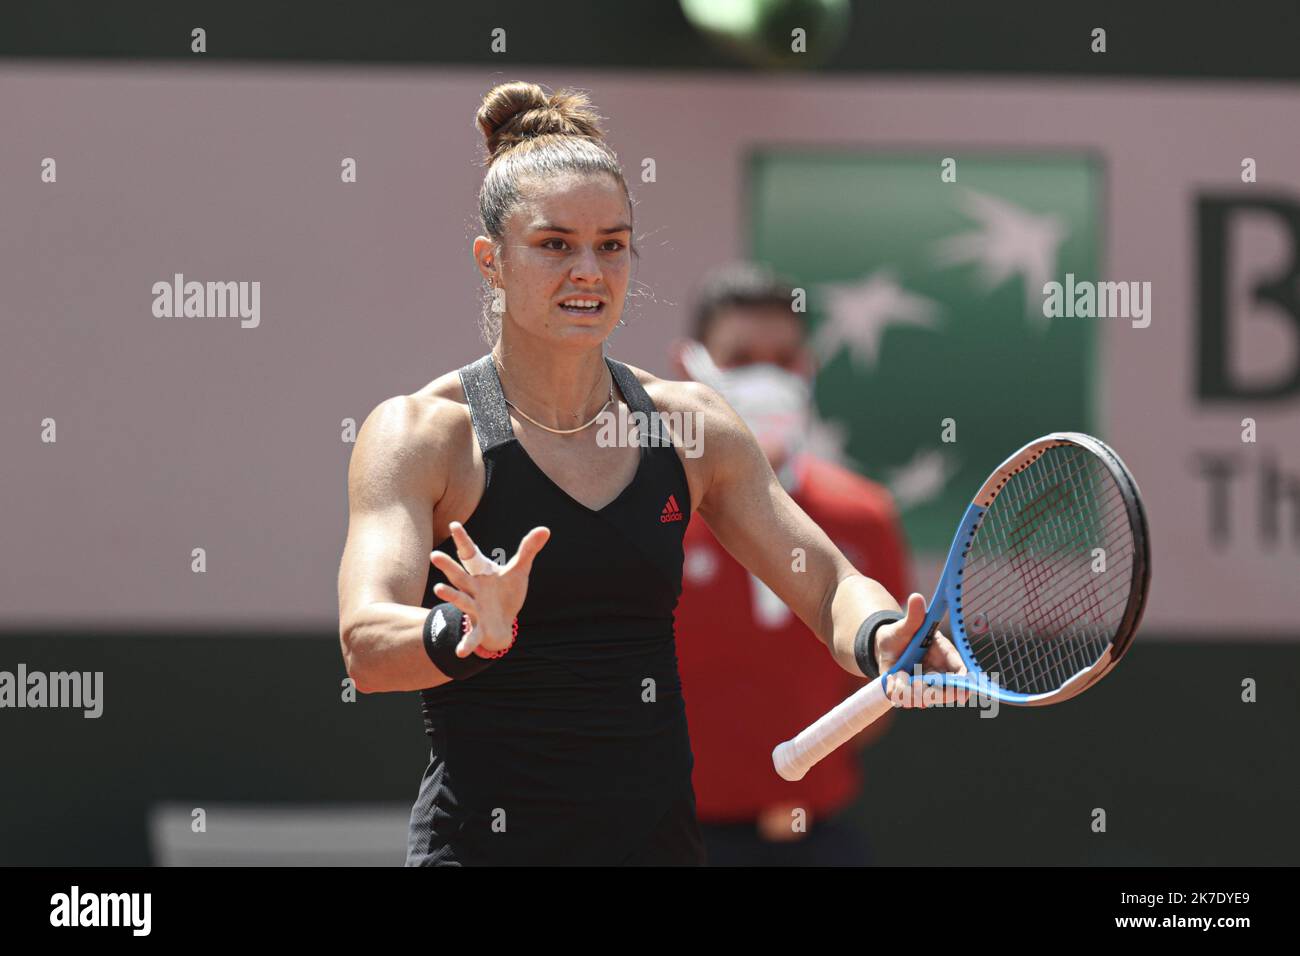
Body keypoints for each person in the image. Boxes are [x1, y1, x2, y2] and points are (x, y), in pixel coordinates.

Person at [336, 81, 963, 867]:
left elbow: (827, 582)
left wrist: (879, 635)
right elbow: (365, 645)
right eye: (555, 244)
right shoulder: (421, 435)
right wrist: (467, 630)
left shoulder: (692, 428)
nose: (589, 271)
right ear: (491, 261)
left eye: (612, 243)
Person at [671, 264, 911, 865]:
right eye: (742, 356)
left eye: (782, 358)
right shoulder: (649, 512)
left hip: (815, 840)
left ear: (808, 368)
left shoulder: (864, 514)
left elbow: (879, 687)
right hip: (666, 839)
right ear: (691, 367)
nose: (765, 376)